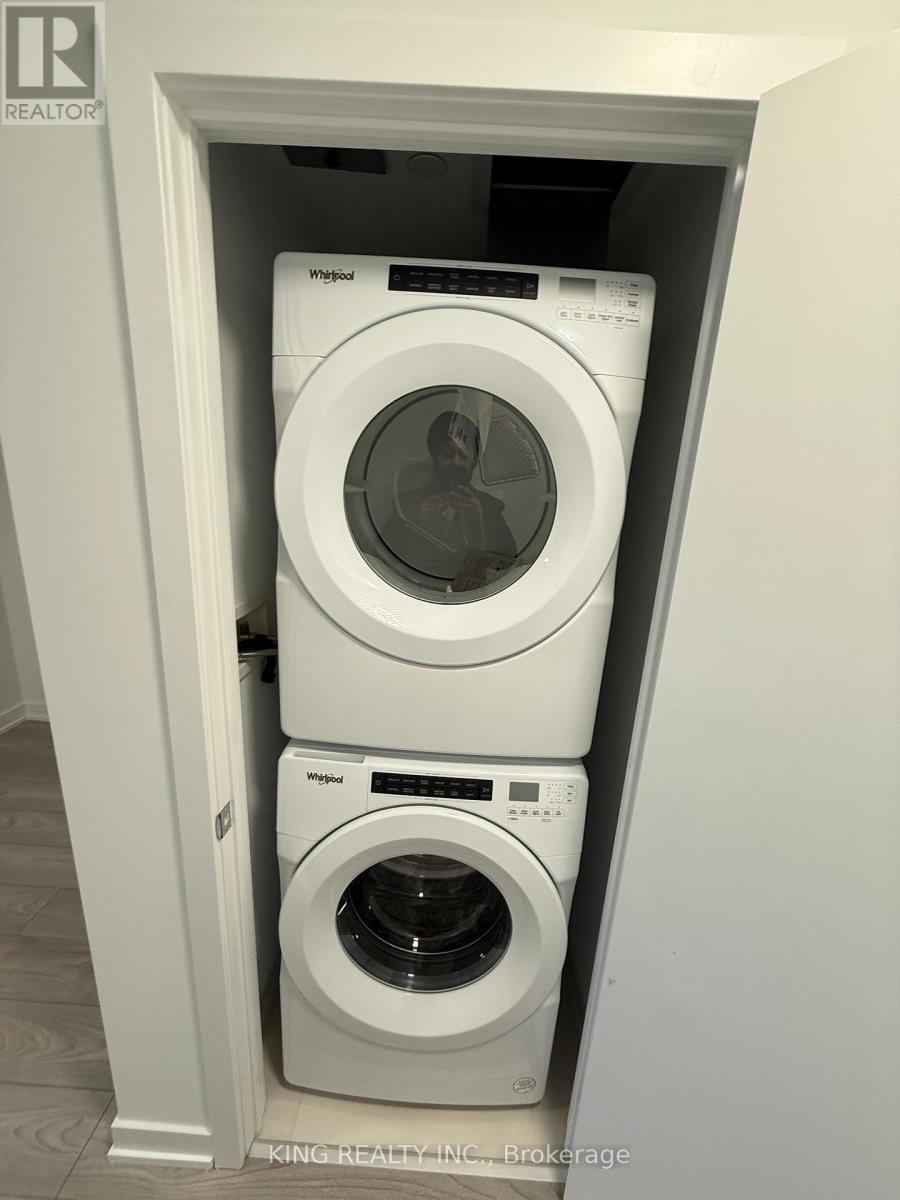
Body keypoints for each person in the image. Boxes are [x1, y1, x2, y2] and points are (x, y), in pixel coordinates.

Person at [383, 410, 516, 591]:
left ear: (474, 462)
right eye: (447, 454)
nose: (456, 462)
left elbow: (507, 559)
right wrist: (419, 521)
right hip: (416, 590)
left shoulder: (489, 507)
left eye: (464, 456)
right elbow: (387, 555)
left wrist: (480, 520)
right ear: (435, 457)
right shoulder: (408, 504)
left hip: (475, 594)